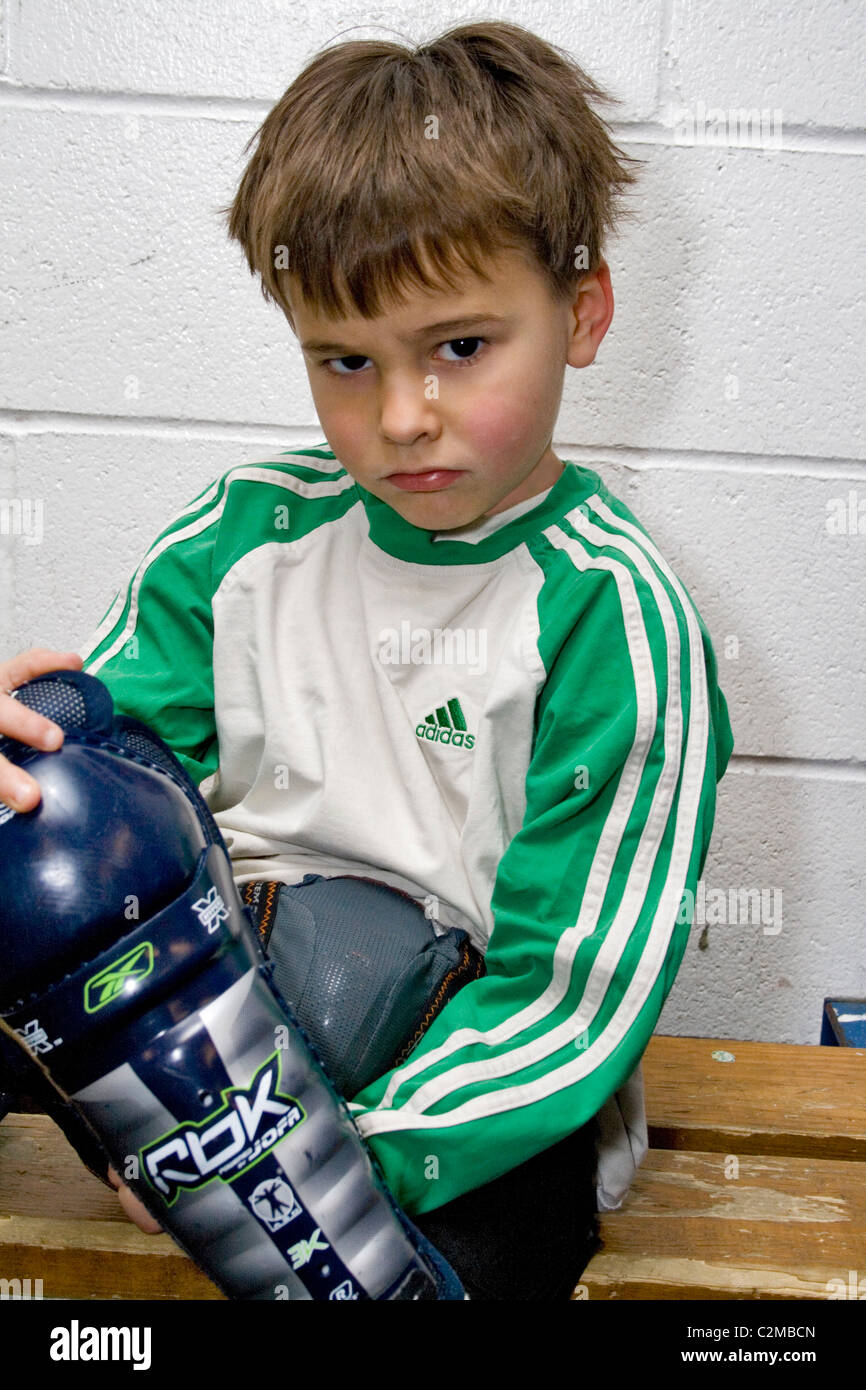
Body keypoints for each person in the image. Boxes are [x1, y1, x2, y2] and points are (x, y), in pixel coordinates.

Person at [0, 21, 734, 1300]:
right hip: (198, 1013)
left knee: (480, 1259)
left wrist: (301, 1159)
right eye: (345, 361)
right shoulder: (241, 533)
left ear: (581, 312)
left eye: (458, 347)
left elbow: (567, 998)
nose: (398, 417)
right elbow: (113, 784)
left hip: (456, 1096)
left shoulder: (616, 619)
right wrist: (29, 749)